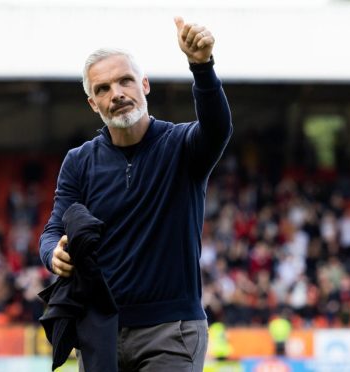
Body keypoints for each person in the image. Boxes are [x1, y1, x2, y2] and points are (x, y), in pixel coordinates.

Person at [39, 17, 232, 371]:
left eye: (125, 80)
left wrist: (202, 67)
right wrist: (53, 253)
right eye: (103, 89)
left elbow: (218, 128)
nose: (117, 94)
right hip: (99, 333)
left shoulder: (182, 145)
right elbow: (53, 231)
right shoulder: (79, 161)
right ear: (93, 104)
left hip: (172, 331)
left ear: (144, 85)